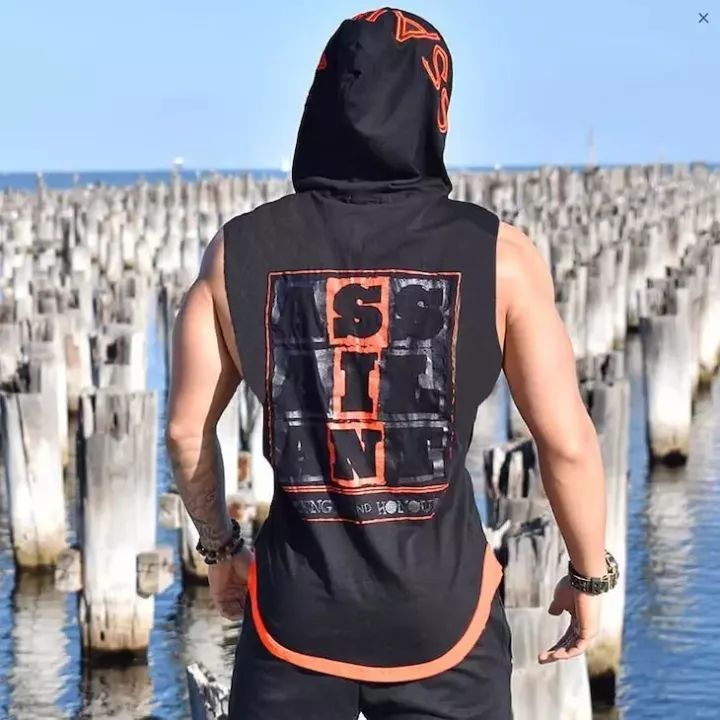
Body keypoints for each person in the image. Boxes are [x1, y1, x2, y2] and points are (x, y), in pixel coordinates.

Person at [165, 7, 617, 719]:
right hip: (445, 621)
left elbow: (185, 431)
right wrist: (589, 578)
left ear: (320, 103)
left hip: (293, 619)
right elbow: (566, 443)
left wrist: (220, 551)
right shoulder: (501, 256)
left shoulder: (236, 252)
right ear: (437, 111)